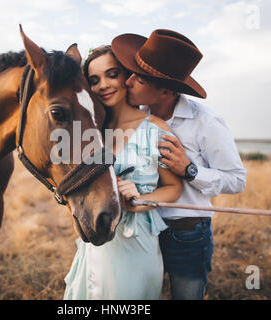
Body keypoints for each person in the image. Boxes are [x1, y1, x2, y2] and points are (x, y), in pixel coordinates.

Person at [111, 29, 247, 299]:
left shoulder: (205, 122)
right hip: (142, 229)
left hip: (187, 232)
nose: (128, 82)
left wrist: (190, 170)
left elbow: (237, 179)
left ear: (164, 89)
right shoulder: (136, 117)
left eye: (138, 78)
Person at [63, 45, 182, 300]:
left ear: (126, 77)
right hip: (95, 241)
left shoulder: (155, 129)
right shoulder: (91, 131)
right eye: (94, 80)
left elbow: (174, 188)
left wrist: (142, 200)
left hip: (135, 243)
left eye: (111, 74)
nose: (103, 85)